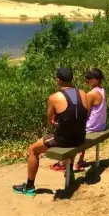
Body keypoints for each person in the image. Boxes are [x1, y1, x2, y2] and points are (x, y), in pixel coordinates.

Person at [15, 67, 87, 195]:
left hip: (64, 140)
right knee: (71, 136)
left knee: (33, 150)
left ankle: (29, 186)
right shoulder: (83, 93)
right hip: (81, 137)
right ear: (71, 78)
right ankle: (69, 172)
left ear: (58, 80)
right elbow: (85, 114)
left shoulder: (54, 97)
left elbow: (50, 121)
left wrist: (56, 122)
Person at [75, 69, 106, 170]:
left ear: (97, 79)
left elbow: (85, 113)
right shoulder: (102, 90)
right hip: (101, 125)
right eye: (86, 78)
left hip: (92, 127)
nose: (86, 80)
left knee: (75, 131)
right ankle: (80, 160)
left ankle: (66, 163)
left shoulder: (91, 94)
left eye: (89, 78)